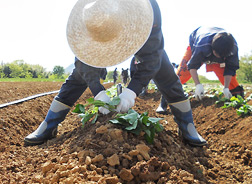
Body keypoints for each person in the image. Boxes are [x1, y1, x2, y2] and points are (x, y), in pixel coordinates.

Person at [24, 0, 207, 147]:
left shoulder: (148, 12)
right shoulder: (88, 17)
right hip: (99, 40)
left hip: (139, 32)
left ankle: (187, 127)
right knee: (78, 77)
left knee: (166, 75)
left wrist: (132, 91)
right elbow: (82, 64)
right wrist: (99, 92)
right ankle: (48, 125)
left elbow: (152, 58)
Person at [176, 26, 244, 100]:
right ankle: (165, 101)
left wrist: (226, 88)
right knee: (182, 74)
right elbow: (192, 66)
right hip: (196, 46)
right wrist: (198, 84)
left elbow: (230, 68)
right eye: (217, 55)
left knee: (232, 83)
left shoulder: (233, 49)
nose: (218, 58)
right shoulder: (202, 46)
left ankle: (237, 101)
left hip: (219, 53)